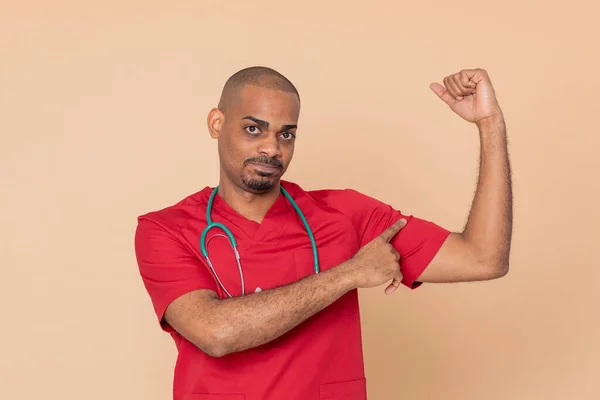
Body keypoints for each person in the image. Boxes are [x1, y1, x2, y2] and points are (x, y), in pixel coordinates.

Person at [134, 66, 512, 400]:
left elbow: (483, 258)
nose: (271, 148)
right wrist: (349, 273)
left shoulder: (346, 213)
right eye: (254, 129)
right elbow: (215, 332)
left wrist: (489, 124)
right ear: (217, 123)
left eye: (287, 135)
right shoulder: (166, 229)